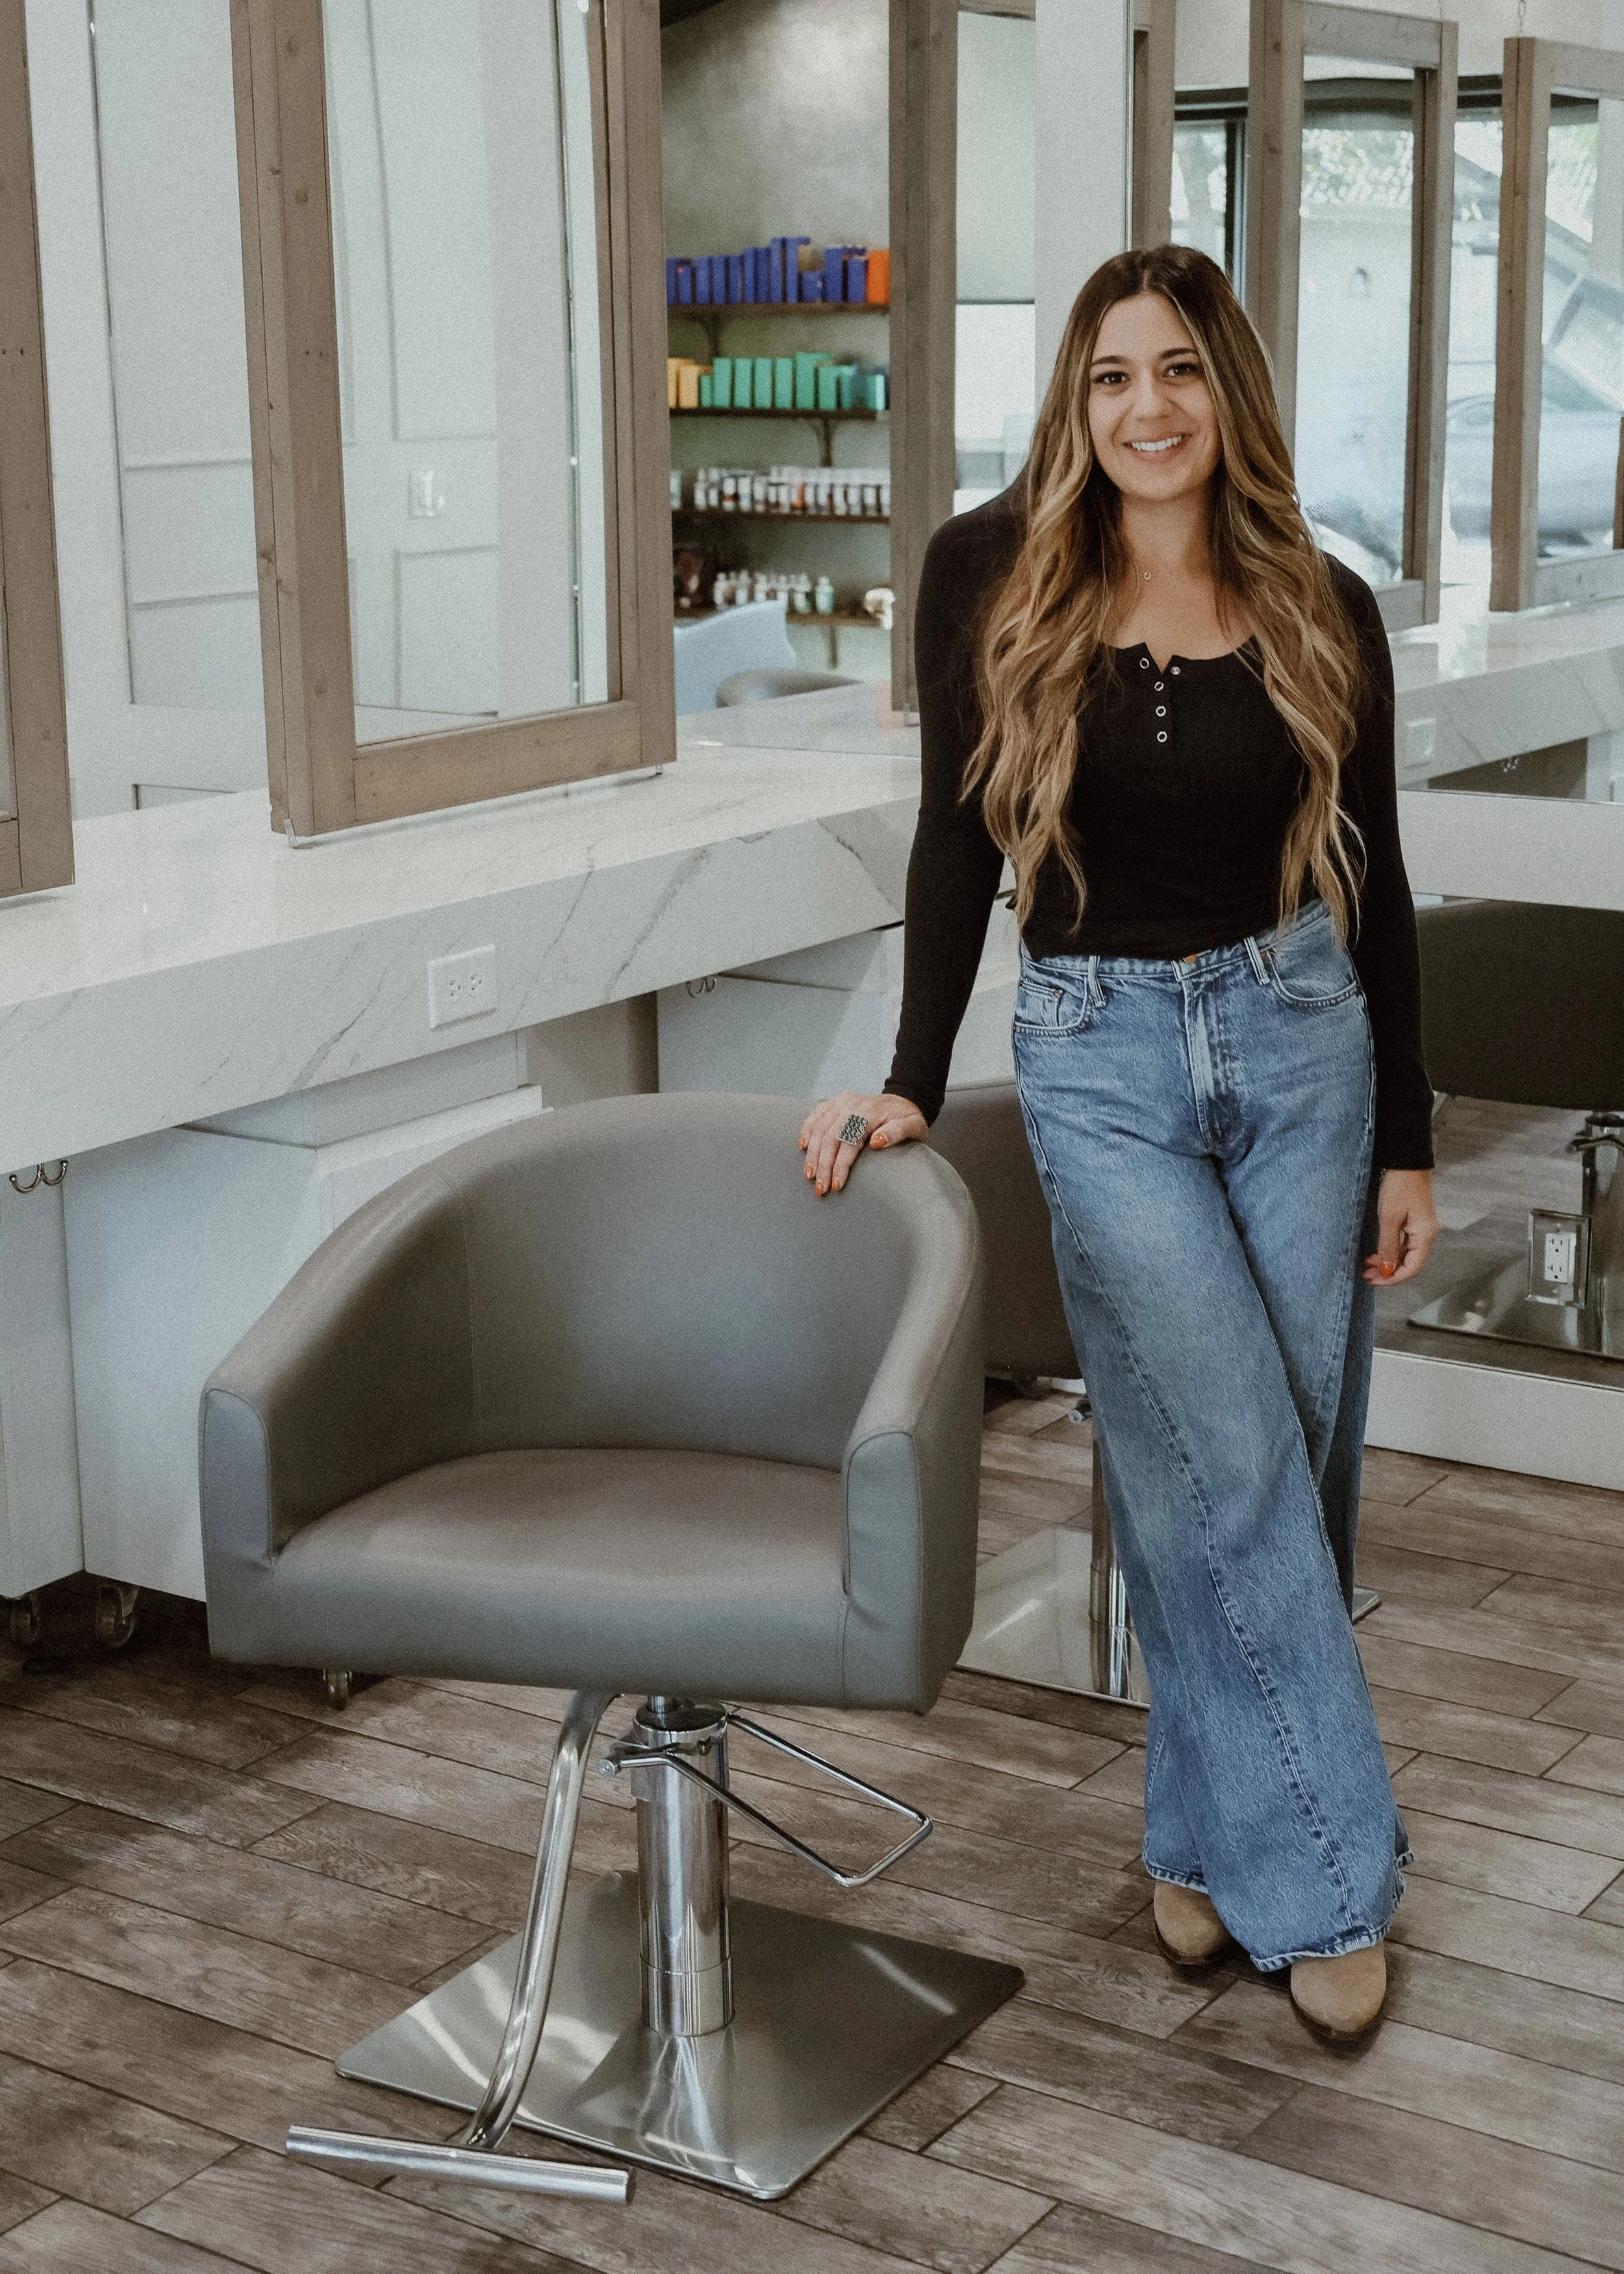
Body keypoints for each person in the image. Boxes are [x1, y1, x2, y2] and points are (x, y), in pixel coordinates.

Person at [798, 244, 1438, 2044]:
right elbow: (948, 840)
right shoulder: (982, 571)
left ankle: (1191, 1833)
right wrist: (909, 1068)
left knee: (1268, 1463)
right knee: (1226, 1455)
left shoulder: (1320, 596)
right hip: (1095, 1057)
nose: (1145, 407)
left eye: (1176, 370)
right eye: (1107, 375)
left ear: (1225, 389)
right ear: (1070, 400)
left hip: (1301, 1041)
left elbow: (1373, 880)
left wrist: (1406, 1130)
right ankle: (1326, 1882)